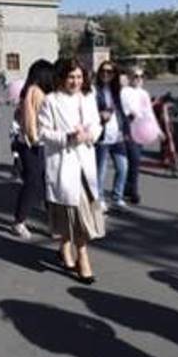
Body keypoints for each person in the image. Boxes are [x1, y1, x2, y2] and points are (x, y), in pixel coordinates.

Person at [38, 58, 104, 284]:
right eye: (71, 77)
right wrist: (67, 137)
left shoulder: (88, 98)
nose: (75, 81)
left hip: (85, 161)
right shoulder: (51, 101)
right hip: (64, 162)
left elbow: (96, 124)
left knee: (81, 211)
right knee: (70, 211)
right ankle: (81, 256)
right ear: (62, 78)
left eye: (78, 77)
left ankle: (69, 248)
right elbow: (43, 132)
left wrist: (90, 135)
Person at [11, 60, 55, 239]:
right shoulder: (34, 91)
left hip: (35, 143)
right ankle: (19, 221)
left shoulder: (34, 91)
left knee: (45, 183)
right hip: (32, 144)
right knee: (33, 182)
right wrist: (34, 137)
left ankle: (53, 222)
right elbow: (30, 119)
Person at [93, 60, 129, 210]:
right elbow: (89, 111)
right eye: (103, 71)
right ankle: (99, 198)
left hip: (117, 136)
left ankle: (117, 197)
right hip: (102, 136)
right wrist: (99, 115)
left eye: (110, 72)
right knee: (101, 170)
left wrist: (125, 131)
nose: (106, 74)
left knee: (123, 167)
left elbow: (123, 112)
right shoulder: (95, 90)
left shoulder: (117, 91)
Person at [120, 68, 151, 205]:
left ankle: (128, 188)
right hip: (130, 128)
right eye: (136, 76)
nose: (139, 78)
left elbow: (147, 112)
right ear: (130, 77)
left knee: (134, 161)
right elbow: (129, 112)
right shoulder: (125, 92)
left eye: (141, 76)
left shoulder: (144, 93)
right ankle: (133, 191)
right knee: (134, 160)